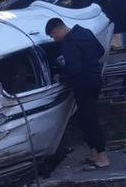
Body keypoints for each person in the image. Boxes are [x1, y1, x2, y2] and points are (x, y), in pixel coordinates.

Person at [45, 17, 110, 169]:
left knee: (89, 119)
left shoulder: (69, 43)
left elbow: (74, 70)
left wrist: (60, 77)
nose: (54, 39)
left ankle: (102, 157)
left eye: (52, 35)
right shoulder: (85, 32)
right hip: (95, 78)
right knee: (85, 117)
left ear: (57, 30)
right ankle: (94, 153)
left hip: (83, 83)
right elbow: (100, 50)